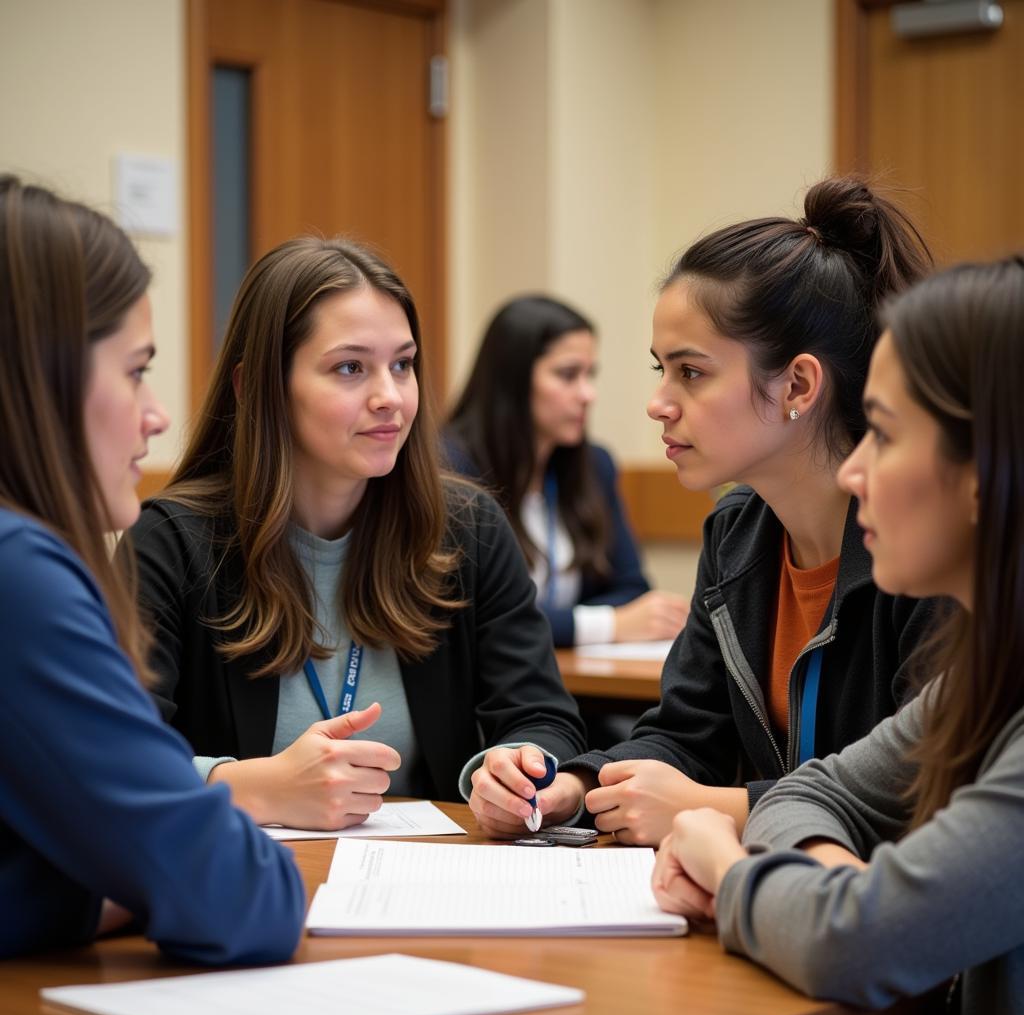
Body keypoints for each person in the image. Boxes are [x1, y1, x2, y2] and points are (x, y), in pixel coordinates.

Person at [469, 176, 946, 842]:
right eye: (659, 369)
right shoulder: (738, 531)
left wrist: (717, 808)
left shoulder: (928, 548)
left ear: (798, 386)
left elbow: (924, 794)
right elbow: (683, 736)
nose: (658, 402)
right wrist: (567, 789)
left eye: (690, 372)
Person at [652, 256, 1024, 1015]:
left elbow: (858, 943)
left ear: (985, 468)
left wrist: (733, 876)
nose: (854, 471)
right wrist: (828, 885)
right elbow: (805, 792)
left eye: (883, 435)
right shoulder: (991, 670)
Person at [128, 237, 587, 833]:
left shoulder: (466, 528)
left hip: (426, 886)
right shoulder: (170, 541)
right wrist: (240, 785)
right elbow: (111, 757)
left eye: (402, 364)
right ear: (255, 387)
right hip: (244, 887)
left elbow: (544, 717)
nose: (390, 398)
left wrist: (524, 771)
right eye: (350, 368)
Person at [0, 175, 304, 961]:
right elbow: (244, 896)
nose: (157, 414)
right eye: (135, 371)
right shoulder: (18, 574)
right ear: (42, 377)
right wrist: (97, 889)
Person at [446, 295, 688, 648]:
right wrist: (606, 624)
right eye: (567, 375)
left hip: (576, 680)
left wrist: (583, 622)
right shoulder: (451, 471)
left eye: (590, 374)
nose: (587, 394)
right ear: (512, 380)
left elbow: (632, 589)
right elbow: (471, 617)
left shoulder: (594, 465)